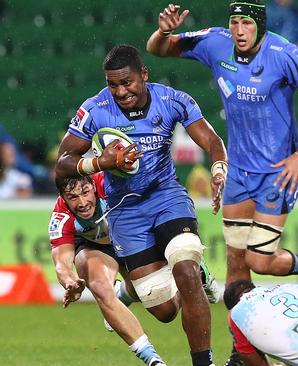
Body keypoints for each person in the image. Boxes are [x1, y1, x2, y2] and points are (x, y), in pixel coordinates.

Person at [146, 2, 298, 291]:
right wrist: (163, 32)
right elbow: (157, 49)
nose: (239, 31)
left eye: (246, 23)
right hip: (238, 173)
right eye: (234, 22)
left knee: (259, 261)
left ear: (260, 24)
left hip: (278, 173)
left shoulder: (283, 54)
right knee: (235, 263)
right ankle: (241, 336)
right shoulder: (216, 42)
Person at [54, 45, 227, 366]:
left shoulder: (174, 100)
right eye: (113, 85)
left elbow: (213, 142)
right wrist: (98, 162)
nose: (121, 92)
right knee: (164, 311)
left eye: (128, 83)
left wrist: (218, 170)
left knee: (186, 268)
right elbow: (63, 163)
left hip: (166, 197)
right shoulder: (94, 109)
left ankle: (204, 362)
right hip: (125, 212)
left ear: (144, 75)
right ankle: (166, 279)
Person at [49, 173, 167, 366]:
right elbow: (62, 264)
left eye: (85, 193)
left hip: (128, 239)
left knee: (164, 310)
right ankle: (152, 359)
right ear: (63, 198)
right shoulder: (61, 217)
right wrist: (70, 281)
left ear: (93, 186)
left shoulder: (110, 184)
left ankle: (122, 294)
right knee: (100, 286)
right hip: (94, 247)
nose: (82, 202)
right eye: (73, 197)